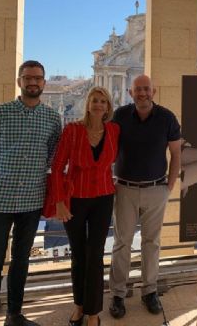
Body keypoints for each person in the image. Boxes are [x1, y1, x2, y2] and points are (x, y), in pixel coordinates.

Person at [0, 60, 62, 326]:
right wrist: (6, 176)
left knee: (21, 260)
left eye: (38, 78)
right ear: (19, 81)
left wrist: (29, 175)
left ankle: (14, 315)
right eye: (28, 77)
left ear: (44, 83)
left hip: (32, 201)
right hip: (0, 200)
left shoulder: (51, 118)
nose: (33, 82)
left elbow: (53, 156)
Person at [108, 75, 181, 318]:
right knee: (122, 243)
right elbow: (107, 148)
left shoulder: (167, 118)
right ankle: (118, 294)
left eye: (146, 89)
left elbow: (176, 155)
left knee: (152, 242)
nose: (142, 93)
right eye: (138, 90)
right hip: (125, 189)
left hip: (156, 189)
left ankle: (150, 291)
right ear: (131, 93)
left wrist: (168, 186)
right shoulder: (119, 116)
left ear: (154, 91)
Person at [48, 87, 120, 326]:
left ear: (108, 107)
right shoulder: (73, 130)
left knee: (96, 255)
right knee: (78, 254)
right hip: (75, 199)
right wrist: (59, 201)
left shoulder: (113, 131)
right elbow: (57, 167)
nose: (98, 105)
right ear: (87, 105)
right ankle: (79, 306)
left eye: (103, 101)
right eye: (94, 100)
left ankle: (93, 313)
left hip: (103, 198)